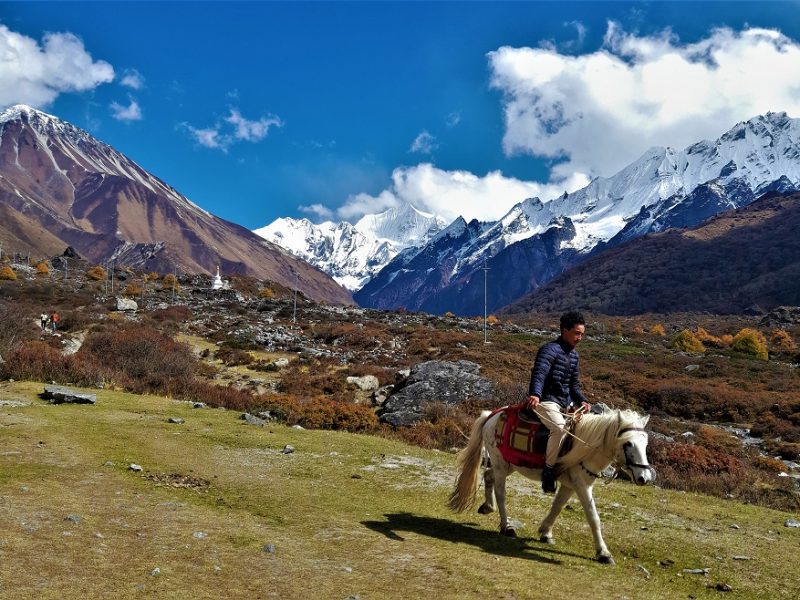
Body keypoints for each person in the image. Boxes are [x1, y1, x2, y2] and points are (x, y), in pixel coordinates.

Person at [527, 311, 592, 493]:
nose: (580, 338)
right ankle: (548, 471)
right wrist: (535, 394)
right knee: (559, 427)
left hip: (565, 403)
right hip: (545, 401)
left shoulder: (574, 356)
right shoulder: (549, 350)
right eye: (576, 333)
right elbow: (539, 374)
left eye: (582, 334)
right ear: (565, 330)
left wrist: (583, 401)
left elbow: (574, 385)